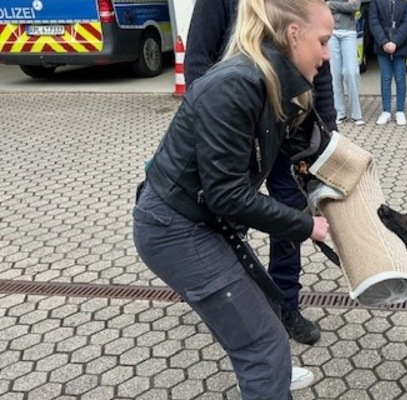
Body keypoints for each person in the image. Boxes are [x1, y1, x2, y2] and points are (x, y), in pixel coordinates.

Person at [133, 0, 334, 397]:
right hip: (175, 229)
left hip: (199, 219)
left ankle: (269, 374)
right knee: (264, 347)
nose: (328, 55)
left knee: (261, 324)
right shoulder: (237, 83)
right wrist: (307, 224)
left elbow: (304, 143)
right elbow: (228, 194)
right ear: (294, 35)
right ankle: (268, 372)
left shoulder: (274, 79)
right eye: (324, 41)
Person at [184, 0, 337, 346]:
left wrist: (328, 134)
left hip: (288, 131)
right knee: (230, 219)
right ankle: (235, 304)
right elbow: (197, 62)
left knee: (290, 217)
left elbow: (321, 71)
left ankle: (286, 305)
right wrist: (207, 129)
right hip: (238, 132)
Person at [369, 0, 407, 126]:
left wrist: (395, 42)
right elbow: (374, 22)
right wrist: (384, 42)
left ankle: (400, 111)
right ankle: (386, 111)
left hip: (400, 46)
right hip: (381, 45)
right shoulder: (376, 2)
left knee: (400, 78)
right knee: (385, 78)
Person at [328, 0, 365, 126]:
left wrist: (331, 4)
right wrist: (345, 6)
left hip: (349, 31)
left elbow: (355, 6)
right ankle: (339, 112)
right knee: (334, 73)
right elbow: (321, 6)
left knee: (351, 72)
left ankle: (356, 113)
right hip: (330, 31)